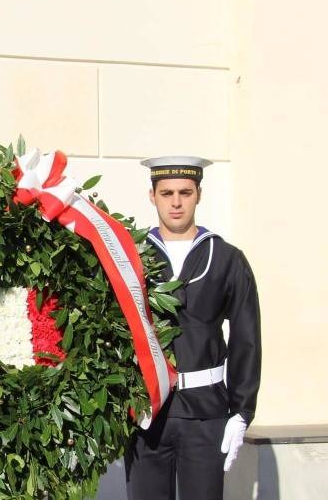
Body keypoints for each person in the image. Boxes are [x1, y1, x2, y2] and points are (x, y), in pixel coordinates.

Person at [125, 156, 262, 500]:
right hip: (147, 412)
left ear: (198, 195)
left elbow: (247, 338)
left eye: (185, 192)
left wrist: (242, 411)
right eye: (166, 192)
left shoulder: (228, 258)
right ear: (151, 196)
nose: (175, 202)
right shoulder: (130, 257)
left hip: (206, 413)